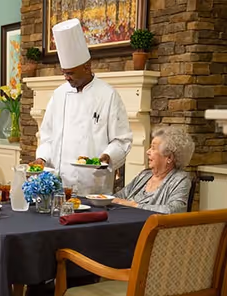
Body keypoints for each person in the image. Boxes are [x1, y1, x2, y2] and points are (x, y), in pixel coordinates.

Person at [32, 18, 133, 196]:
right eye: (64, 73)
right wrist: (42, 158)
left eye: (70, 73)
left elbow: (122, 140)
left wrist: (107, 157)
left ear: (87, 66)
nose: (66, 78)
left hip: (93, 184)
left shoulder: (107, 95)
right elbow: (47, 137)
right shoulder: (59, 95)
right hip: (58, 184)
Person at [112, 126, 195, 214]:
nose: (148, 151)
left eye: (153, 148)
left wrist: (135, 206)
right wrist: (100, 198)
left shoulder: (180, 179)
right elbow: (119, 197)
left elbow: (175, 210)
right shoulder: (145, 175)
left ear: (169, 157)